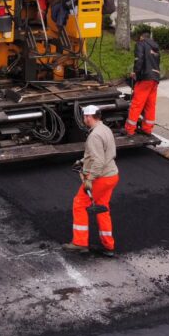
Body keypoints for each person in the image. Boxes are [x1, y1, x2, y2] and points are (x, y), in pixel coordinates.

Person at [62, 105, 118, 258]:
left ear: (88, 117)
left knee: (79, 203)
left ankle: (80, 243)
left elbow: (98, 161)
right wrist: (82, 161)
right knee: (102, 208)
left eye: (84, 117)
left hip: (101, 177)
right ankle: (108, 246)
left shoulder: (94, 136)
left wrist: (90, 179)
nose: (84, 119)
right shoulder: (105, 129)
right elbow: (104, 153)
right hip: (112, 175)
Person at [126, 27, 160, 135]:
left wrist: (136, 72)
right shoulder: (155, 47)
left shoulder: (141, 44)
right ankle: (147, 129)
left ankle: (129, 129)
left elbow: (139, 59)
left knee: (136, 104)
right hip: (155, 79)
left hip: (145, 78)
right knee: (150, 105)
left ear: (141, 37)